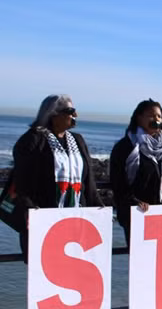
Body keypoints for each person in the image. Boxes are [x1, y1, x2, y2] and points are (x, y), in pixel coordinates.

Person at [12, 94, 102, 262]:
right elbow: (23, 184)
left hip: (76, 222)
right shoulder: (32, 140)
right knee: (44, 276)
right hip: (44, 223)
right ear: (53, 114)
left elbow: (88, 182)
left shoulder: (78, 140)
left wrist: (100, 209)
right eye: (70, 111)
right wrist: (31, 212)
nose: (75, 115)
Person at [110, 99, 162, 244]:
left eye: (159, 116)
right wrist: (134, 201)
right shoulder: (125, 147)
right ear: (139, 118)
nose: (156, 119)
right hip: (138, 215)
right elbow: (118, 181)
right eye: (151, 115)